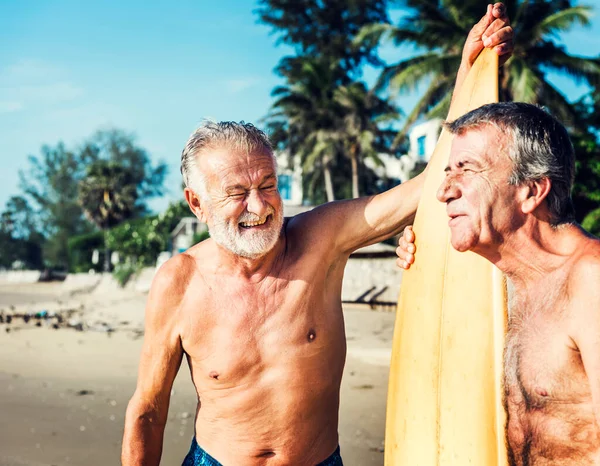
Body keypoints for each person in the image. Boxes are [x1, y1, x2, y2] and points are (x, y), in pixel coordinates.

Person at [121, 5, 513, 465]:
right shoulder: (179, 282)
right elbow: (148, 410)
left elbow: (426, 186)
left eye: (268, 185)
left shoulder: (322, 238)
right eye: (237, 193)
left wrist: (468, 71)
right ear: (196, 203)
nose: (259, 205)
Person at [396, 102, 600, 465]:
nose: (444, 192)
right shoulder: (505, 286)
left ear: (532, 190)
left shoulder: (590, 280)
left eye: (467, 169)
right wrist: (421, 252)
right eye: (447, 173)